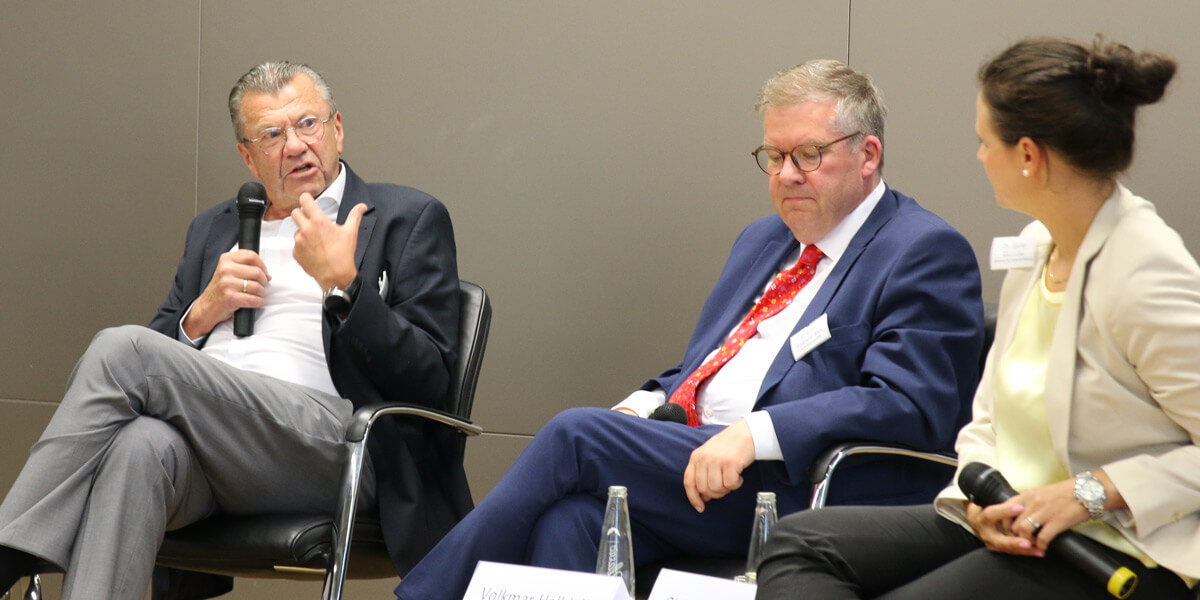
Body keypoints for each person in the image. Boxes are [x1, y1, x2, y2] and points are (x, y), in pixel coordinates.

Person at [394, 59, 984, 600]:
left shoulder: (921, 249)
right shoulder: (763, 240)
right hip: (697, 462)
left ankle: (423, 597)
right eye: (774, 157)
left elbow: (909, 403)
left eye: (808, 155)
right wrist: (644, 403)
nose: (787, 175)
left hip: (805, 484)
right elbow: (706, 365)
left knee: (576, 435)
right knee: (570, 521)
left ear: (868, 154)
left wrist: (756, 432)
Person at [0, 61, 468, 599]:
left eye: (308, 124)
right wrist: (199, 315)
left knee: (120, 347)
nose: (295, 146)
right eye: (272, 134)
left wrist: (346, 286)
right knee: (138, 447)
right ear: (248, 156)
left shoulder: (407, 218)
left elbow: (430, 378)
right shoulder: (214, 229)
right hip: (217, 452)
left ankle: (9, 552)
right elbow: (147, 369)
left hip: (337, 448)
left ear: (337, 129)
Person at [755, 37, 1200, 600]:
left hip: (1116, 548)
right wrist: (976, 500)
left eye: (985, 142)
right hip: (1014, 521)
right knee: (798, 545)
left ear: (1028, 156)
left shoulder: (1144, 272)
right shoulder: (1038, 247)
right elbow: (987, 418)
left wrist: (1089, 492)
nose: (980, 157)